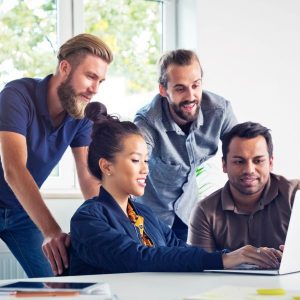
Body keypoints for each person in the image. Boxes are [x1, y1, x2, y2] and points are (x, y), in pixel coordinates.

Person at [69, 102, 280, 275]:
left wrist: (247, 257)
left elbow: (182, 252)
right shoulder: (88, 219)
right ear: (106, 166)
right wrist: (225, 259)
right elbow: (137, 258)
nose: (145, 169)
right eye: (135, 160)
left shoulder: (145, 215)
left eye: (147, 160)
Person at [0, 33, 113, 277]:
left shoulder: (80, 116)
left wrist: (105, 226)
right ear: (65, 67)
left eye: (100, 81)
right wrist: (52, 230)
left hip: (20, 212)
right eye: (90, 76)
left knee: (58, 280)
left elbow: (87, 175)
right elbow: (14, 170)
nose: (94, 89)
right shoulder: (17, 95)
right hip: (19, 197)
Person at [134, 49, 237, 241]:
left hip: (187, 216)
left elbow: (243, 149)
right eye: (180, 88)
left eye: (195, 85)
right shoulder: (148, 121)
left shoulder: (219, 111)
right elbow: (134, 160)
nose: (191, 96)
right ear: (163, 90)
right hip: (149, 219)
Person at [188, 122, 300, 252]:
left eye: (258, 161)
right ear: (224, 165)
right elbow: (200, 268)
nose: (249, 170)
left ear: (270, 163)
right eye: (239, 161)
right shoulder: (205, 212)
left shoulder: (296, 195)